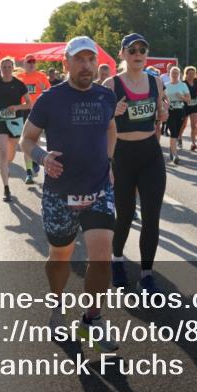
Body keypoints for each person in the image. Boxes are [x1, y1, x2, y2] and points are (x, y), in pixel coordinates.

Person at [20, 36, 120, 352]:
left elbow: (111, 128)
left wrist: (109, 160)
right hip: (59, 193)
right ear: (66, 63)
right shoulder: (50, 99)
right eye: (80, 59)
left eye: (91, 60)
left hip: (98, 187)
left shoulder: (106, 97)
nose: (87, 66)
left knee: (102, 255)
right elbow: (27, 139)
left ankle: (92, 318)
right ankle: (57, 303)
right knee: (60, 255)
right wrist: (42, 158)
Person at [104, 33, 169, 293]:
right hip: (122, 154)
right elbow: (100, 125)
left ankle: (146, 273)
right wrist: (112, 113)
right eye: (132, 50)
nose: (138, 54)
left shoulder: (156, 83)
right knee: (126, 214)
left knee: (152, 217)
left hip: (150, 153)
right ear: (122, 54)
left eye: (143, 49)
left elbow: (158, 116)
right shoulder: (111, 84)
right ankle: (117, 259)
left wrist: (162, 114)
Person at [0, 57, 31, 202]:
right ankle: (6, 189)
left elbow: (28, 104)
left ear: (13, 68)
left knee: (10, 155)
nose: (6, 69)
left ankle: (5, 166)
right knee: (4, 154)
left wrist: (16, 107)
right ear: (0, 68)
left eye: (8, 66)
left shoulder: (19, 84)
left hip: (15, 122)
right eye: (3, 67)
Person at [16, 54, 52, 184]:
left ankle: (34, 160)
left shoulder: (41, 76)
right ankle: (29, 172)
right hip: (24, 111)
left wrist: (45, 90)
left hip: (40, 111)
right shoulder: (19, 78)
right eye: (29, 62)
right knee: (27, 140)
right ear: (24, 64)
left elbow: (51, 92)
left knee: (35, 141)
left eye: (33, 62)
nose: (31, 64)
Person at [163, 66, 190, 165]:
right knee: (173, 131)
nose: (174, 75)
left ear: (179, 75)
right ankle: (175, 155)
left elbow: (189, 99)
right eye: (172, 73)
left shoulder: (183, 85)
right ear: (169, 74)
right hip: (170, 111)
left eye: (176, 73)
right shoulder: (165, 85)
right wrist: (165, 103)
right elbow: (162, 98)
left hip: (180, 110)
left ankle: (172, 147)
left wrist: (182, 97)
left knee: (177, 132)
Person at [183, 65, 197, 151]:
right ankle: (179, 137)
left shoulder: (196, 82)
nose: (191, 75)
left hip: (194, 105)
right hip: (185, 106)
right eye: (189, 73)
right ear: (186, 74)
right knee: (184, 124)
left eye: (193, 74)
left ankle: (193, 143)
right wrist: (186, 99)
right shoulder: (183, 83)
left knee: (194, 125)